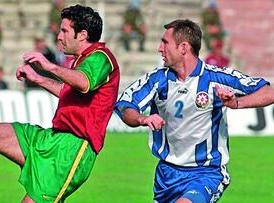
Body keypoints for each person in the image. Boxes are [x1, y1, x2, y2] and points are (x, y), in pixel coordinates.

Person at [0, 4, 120, 203]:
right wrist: (37, 78)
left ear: (82, 34)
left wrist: (48, 66)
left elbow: (84, 83)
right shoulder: (82, 60)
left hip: (72, 150)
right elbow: (67, 91)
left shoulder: (101, 57)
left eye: (64, 31)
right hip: (51, 138)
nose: (59, 36)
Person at [114, 19, 274, 203]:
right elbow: (125, 105)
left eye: (165, 42)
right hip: (167, 175)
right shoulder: (157, 79)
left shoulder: (217, 77)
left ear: (183, 47)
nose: (160, 48)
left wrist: (236, 103)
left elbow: (268, 92)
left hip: (206, 173)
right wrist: (142, 118)